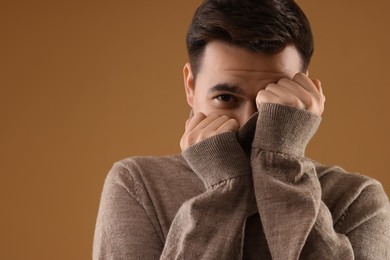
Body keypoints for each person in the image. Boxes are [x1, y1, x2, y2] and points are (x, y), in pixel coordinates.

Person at [93, 0, 390, 259]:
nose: (250, 120)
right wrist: (225, 188)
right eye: (225, 98)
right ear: (191, 86)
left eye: (270, 100)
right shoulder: (138, 186)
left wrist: (280, 160)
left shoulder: (357, 198)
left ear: (305, 91)